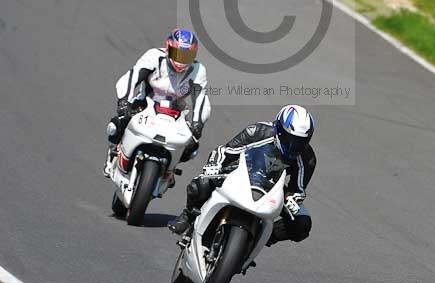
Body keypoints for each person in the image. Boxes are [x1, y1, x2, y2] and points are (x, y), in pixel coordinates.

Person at [168, 104, 316, 245]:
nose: (293, 146)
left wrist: (292, 199)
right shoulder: (257, 132)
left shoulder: (307, 158)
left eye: (300, 141)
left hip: (274, 184)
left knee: (302, 223)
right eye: (289, 138)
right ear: (278, 129)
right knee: (201, 184)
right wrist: (214, 166)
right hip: (241, 170)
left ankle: (261, 239)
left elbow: (298, 190)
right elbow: (225, 151)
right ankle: (188, 216)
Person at [103, 28, 211, 176]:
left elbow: (201, 98)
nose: (180, 61)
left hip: (176, 113)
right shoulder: (154, 56)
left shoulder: (198, 70)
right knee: (116, 124)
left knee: (192, 147)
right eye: (177, 54)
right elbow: (133, 77)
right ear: (168, 48)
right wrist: (124, 101)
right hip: (145, 103)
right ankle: (113, 152)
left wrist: (198, 123)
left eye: (186, 56)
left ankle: (170, 169)